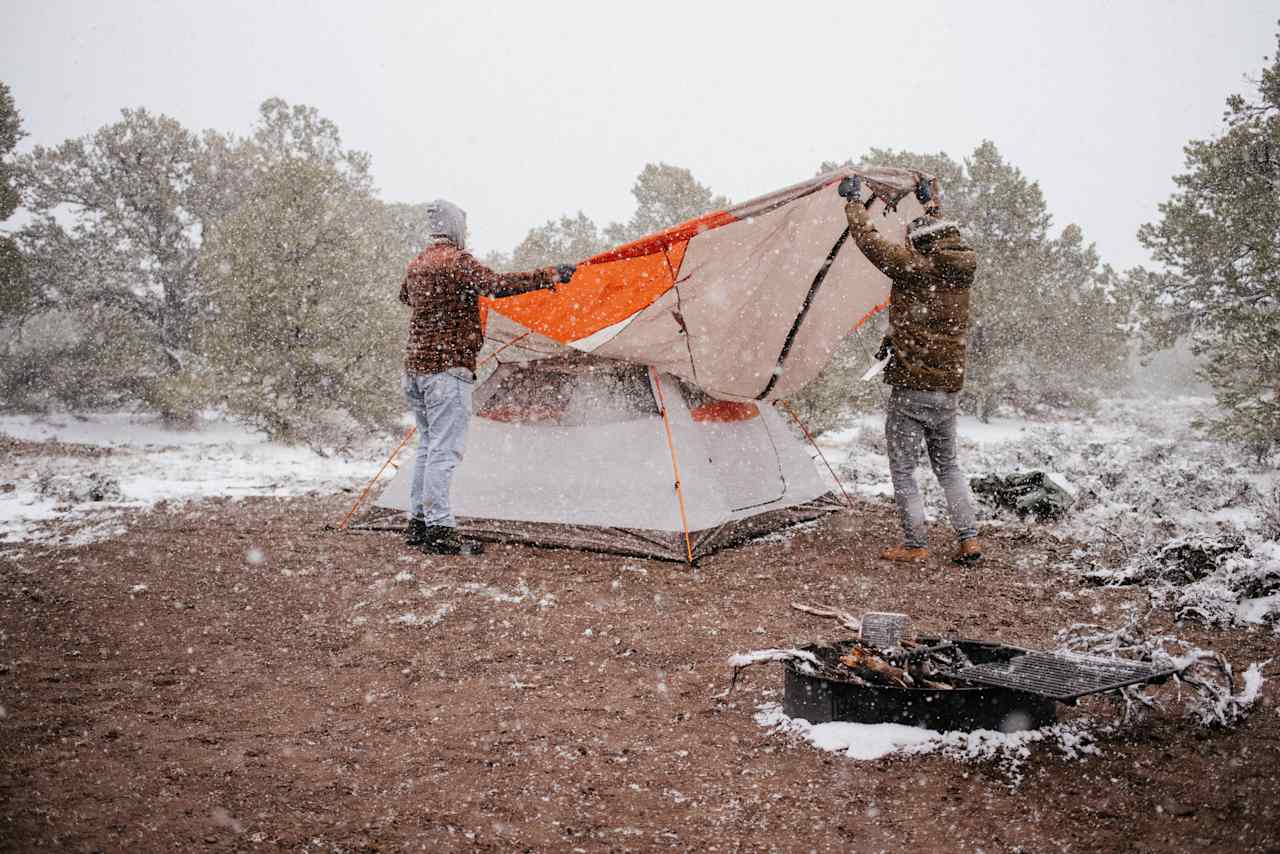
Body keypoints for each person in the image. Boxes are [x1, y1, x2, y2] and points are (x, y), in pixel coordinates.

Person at [399, 199, 575, 555]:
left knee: (428, 448)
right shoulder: (456, 261)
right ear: (455, 228)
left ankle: (418, 523)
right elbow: (495, 285)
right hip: (446, 371)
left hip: (415, 371)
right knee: (444, 451)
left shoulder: (417, 263)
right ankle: (440, 530)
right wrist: (549, 275)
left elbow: (405, 297)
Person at [839, 174, 983, 565]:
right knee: (948, 466)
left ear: (921, 246)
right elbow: (942, 234)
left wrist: (853, 203)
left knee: (903, 469)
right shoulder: (959, 273)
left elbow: (869, 242)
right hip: (948, 390)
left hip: (912, 389)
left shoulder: (916, 269)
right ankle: (968, 539)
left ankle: (914, 543)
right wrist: (930, 205)